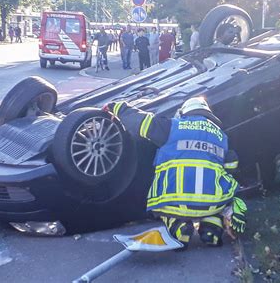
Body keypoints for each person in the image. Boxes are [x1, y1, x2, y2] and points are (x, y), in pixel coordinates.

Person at [103, 97, 247, 250]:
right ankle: (211, 231)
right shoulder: (221, 136)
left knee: (167, 208)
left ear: (184, 112)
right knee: (218, 203)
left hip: (174, 200)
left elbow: (140, 121)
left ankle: (179, 228)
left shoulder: (172, 126)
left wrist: (116, 107)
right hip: (212, 201)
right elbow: (232, 164)